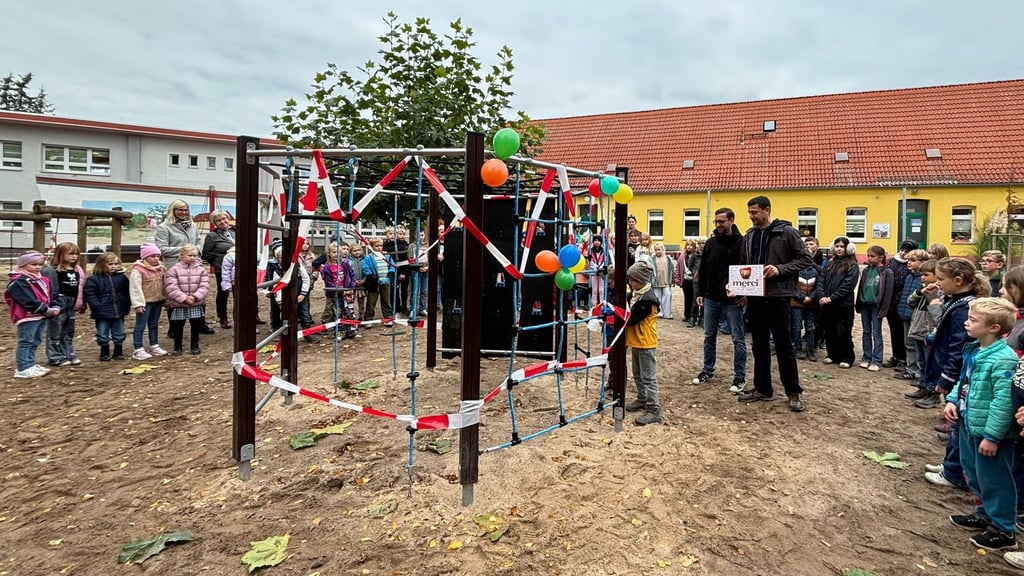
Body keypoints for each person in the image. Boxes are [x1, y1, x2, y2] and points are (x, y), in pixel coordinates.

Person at [944, 297, 1019, 552]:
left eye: (973, 320)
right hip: (968, 422)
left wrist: (993, 436)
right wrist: (953, 399)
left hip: (988, 431)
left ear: (994, 328)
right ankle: (984, 514)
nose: (967, 322)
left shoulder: (1004, 359)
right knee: (973, 471)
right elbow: (963, 380)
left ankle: (1003, 529)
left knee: (995, 479)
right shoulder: (975, 349)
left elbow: (1003, 402)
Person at [739, 196, 813, 412]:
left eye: (755, 212)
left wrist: (780, 269)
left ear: (767, 210)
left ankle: (793, 392)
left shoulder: (787, 232)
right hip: (755, 297)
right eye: (750, 213)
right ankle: (763, 389)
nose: (751, 216)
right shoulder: (750, 235)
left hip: (779, 296)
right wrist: (737, 286)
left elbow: (805, 259)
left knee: (783, 345)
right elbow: (744, 265)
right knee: (759, 345)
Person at [692, 208, 747, 394]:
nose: (718, 225)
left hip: (734, 300)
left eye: (721, 221)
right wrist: (700, 291)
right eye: (716, 221)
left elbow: (749, 271)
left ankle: (740, 376)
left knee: (738, 338)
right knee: (709, 335)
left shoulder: (743, 243)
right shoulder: (711, 243)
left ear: (731, 220)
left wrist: (746, 294)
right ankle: (708, 370)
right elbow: (704, 270)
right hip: (711, 297)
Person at [155, 199, 215, 335]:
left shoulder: (192, 226)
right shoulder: (164, 227)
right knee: (175, 297)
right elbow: (161, 249)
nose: (183, 212)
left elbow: (199, 242)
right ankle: (174, 327)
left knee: (198, 293)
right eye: (180, 210)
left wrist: (195, 251)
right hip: (175, 267)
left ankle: (200, 323)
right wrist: (184, 251)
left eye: (185, 210)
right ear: (173, 210)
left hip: (195, 266)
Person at [5, 251, 59, 378]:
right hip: (27, 316)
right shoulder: (18, 282)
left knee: (35, 340)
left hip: (41, 315)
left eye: (40, 264)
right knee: (26, 341)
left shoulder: (42, 279)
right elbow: (27, 300)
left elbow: (50, 294)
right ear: (23, 265)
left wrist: (54, 305)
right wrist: (44, 309)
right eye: (33, 264)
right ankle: (23, 367)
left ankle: (30, 364)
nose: (38, 267)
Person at [623, 260, 661, 425]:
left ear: (641, 280)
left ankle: (654, 409)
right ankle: (642, 399)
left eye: (632, 280)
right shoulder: (637, 295)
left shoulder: (647, 300)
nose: (630, 283)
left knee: (648, 378)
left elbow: (631, 320)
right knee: (638, 375)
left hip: (645, 343)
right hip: (636, 341)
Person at [905, 259, 944, 397]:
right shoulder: (923, 289)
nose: (922, 277)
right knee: (921, 361)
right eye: (922, 274)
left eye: (926, 275)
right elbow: (910, 301)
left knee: (930, 363)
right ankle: (922, 386)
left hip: (929, 333)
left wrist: (932, 295)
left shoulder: (940, 293)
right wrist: (920, 292)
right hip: (917, 330)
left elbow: (937, 314)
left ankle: (931, 390)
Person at [818, 237, 859, 369]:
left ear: (848, 248)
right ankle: (832, 355)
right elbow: (821, 280)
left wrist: (832, 298)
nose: (839, 249)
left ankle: (847, 357)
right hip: (828, 304)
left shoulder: (852, 265)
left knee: (843, 332)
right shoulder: (830, 263)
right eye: (837, 246)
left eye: (842, 246)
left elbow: (848, 286)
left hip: (843, 305)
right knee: (829, 331)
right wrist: (822, 295)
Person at [42, 242, 85, 366]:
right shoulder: (53, 270)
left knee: (68, 330)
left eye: (76, 254)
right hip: (59, 301)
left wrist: (80, 302)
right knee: (55, 330)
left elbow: (79, 287)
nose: (74, 256)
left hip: (71, 302)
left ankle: (68, 353)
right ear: (61, 254)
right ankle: (54, 356)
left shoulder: (76, 270)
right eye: (70, 254)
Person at [83, 252, 131, 361]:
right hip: (102, 311)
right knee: (102, 332)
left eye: (116, 264)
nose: (113, 266)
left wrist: (126, 304)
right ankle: (104, 351)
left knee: (119, 331)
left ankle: (118, 351)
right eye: (110, 264)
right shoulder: (93, 279)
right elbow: (90, 294)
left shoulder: (122, 278)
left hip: (118, 309)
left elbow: (127, 292)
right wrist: (96, 306)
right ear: (102, 264)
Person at [163, 243, 210, 355]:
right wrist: (183, 298)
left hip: (196, 302)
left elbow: (205, 285)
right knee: (178, 326)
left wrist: (195, 296)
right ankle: (177, 347)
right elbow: (171, 287)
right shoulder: (173, 270)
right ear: (182, 255)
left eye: (195, 255)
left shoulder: (201, 270)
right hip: (179, 304)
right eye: (190, 255)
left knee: (196, 325)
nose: (193, 258)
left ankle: (195, 345)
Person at [855, 245, 894, 371]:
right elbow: (861, 287)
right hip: (865, 305)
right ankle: (866, 357)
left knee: (876, 333)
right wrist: (859, 303)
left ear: (881, 257)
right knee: (866, 332)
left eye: (872, 256)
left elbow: (888, 293)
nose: (869, 258)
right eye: (868, 256)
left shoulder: (887, 272)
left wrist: (883, 309)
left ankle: (877, 360)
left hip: (877, 307)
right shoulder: (866, 270)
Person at [128, 243, 169, 360]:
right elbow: (135, 288)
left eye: (157, 256)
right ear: (145, 257)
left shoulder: (161, 269)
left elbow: (164, 285)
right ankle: (138, 348)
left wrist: (165, 299)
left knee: (154, 324)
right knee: (140, 325)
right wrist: (138, 304)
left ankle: (154, 345)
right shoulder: (138, 270)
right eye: (152, 256)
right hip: (145, 302)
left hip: (158, 301)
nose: (156, 258)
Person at [894, 249, 929, 382]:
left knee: (918, 345)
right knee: (908, 344)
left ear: (923, 262)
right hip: (906, 314)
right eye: (908, 260)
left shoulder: (924, 279)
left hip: (918, 316)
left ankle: (919, 372)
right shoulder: (909, 276)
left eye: (913, 260)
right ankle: (911, 368)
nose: (909, 263)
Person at [882, 239, 916, 369]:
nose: (903, 253)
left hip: (903, 301)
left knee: (904, 332)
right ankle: (896, 355)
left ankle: (904, 358)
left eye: (906, 251)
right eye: (902, 250)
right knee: (894, 330)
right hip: (891, 301)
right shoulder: (892, 262)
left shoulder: (911, 265)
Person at [201, 209, 235, 329]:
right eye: (218, 220)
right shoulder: (212, 236)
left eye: (224, 218)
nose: (222, 221)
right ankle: (223, 317)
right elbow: (206, 254)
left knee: (242, 292)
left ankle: (250, 315)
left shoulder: (235, 231)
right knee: (223, 292)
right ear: (214, 223)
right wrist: (217, 263)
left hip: (238, 267)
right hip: (223, 269)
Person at [791, 237, 822, 363]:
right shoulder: (795, 271)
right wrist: (802, 297)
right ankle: (798, 348)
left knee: (810, 327)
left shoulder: (815, 271)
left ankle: (811, 350)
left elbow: (819, 285)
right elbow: (792, 286)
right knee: (796, 327)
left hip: (811, 304)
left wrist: (811, 297)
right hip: (797, 303)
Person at [363, 237, 394, 327]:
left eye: (380, 246)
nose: (379, 248)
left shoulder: (387, 256)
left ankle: (388, 318)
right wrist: (376, 279)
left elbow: (392, 267)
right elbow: (366, 270)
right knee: (371, 302)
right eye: (377, 246)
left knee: (386, 301)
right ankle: (368, 319)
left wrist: (389, 277)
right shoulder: (369, 258)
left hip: (386, 282)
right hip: (374, 284)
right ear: (372, 247)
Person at [649, 241, 674, 319]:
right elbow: (649, 270)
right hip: (656, 281)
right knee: (657, 296)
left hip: (666, 280)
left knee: (667, 295)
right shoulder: (651, 259)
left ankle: (667, 313)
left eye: (659, 249)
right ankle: (659, 312)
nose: (657, 251)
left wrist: (672, 280)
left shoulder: (668, 258)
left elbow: (672, 269)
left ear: (663, 250)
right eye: (656, 250)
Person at [675, 240, 697, 326]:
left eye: (691, 245)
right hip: (686, 280)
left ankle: (693, 315)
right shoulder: (682, 256)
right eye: (687, 245)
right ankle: (687, 315)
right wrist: (677, 279)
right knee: (687, 298)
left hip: (694, 280)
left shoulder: (696, 255)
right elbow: (678, 268)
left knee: (694, 298)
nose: (689, 247)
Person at [588, 235, 608, 307]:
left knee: (601, 290)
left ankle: (602, 305)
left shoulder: (604, 250)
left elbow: (605, 260)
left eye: (598, 240)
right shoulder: (590, 250)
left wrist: (601, 268)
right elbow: (590, 261)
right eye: (595, 240)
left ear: (601, 242)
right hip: (593, 272)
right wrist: (596, 268)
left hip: (601, 273)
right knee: (594, 290)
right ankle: (594, 305)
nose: (597, 242)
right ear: (593, 241)